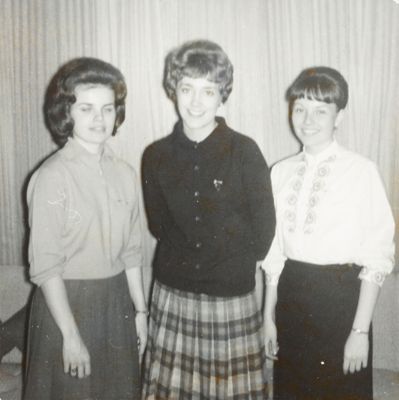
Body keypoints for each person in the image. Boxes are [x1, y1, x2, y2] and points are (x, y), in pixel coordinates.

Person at [141, 39, 276, 399]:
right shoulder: (155, 156)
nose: (196, 102)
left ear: (222, 96)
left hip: (230, 294)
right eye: (187, 89)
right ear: (174, 91)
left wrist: (225, 261)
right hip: (173, 293)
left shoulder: (244, 151)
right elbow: (158, 224)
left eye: (208, 90)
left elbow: (264, 230)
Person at [262, 66, 395, 399]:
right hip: (291, 300)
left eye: (321, 111)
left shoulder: (361, 171)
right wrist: (269, 318)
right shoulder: (280, 172)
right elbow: (274, 254)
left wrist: (360, 331)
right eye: (301, 109)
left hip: (341, 304)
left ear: (339, 117)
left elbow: (377, 257)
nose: (308, 119)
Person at [23, 57, 147, 400]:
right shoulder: (51, 176)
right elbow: (46, 266)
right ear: (67, 112)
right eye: (87, 108)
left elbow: (132, 251)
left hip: (117, 303)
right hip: (66, 307)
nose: (99, 119)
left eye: (107, 109)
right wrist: (70, 336)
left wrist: (139, 312)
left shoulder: (125, 173)